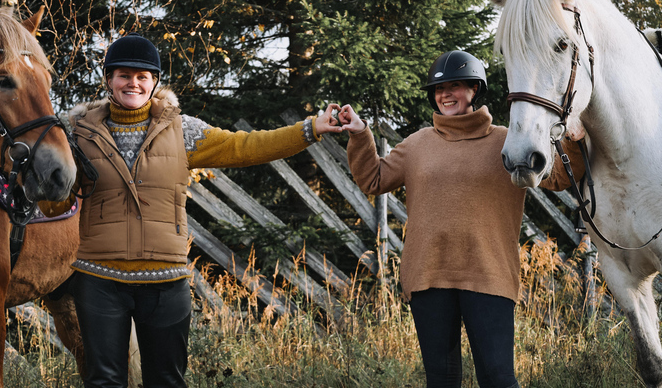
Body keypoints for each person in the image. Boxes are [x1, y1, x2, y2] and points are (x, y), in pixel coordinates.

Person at [65, 33, 343, 388]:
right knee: (103, 381)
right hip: (99, 280)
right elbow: (54, 198)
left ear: (155, 82)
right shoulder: (77, 133)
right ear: (108, 79)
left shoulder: (183, 130)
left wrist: (310, 129)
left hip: (165, 281)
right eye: (124, 75)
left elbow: (245, 147)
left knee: (167, 381)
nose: (132, 83)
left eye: (142, 76)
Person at [337, 50, 584, 388]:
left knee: (498, 379)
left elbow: (559, 178)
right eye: (439, 89)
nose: (446, 94)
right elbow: (373, 179)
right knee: (442, 381)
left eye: (455, 86)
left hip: (489, 274)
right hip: (428, 276)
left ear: (474, 90)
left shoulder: (506, 141)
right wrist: (359, 132)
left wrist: (574, 139)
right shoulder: (417, 144)